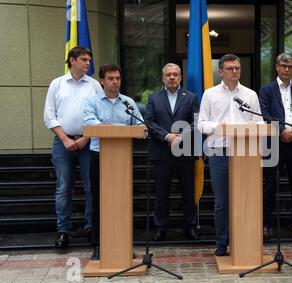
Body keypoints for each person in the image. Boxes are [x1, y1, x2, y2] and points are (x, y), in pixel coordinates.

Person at [198, 54, 262, 257]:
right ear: (221, 71)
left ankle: (245, 240)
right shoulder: (210, 94)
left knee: (246, 199)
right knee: (222, 201)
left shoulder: (250, 94)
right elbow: (201, 124)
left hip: (245, 153)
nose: (234, 72)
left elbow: (259, 122)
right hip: (219, 151)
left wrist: (247, 128)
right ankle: (222, 242)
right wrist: (220, 127)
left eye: (237, 68)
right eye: (230, 68)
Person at [83, 64, 144, 259]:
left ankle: (123, 244)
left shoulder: (128, 103)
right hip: (98, 157)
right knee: (98, 202)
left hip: (122, 161)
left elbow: (141, 126)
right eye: (110, 78)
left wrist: (115, 128)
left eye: (118, 78)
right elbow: (90, 122)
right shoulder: (92, 102)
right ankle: (99, 246)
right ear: (102, 81)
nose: (115, 82)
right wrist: (109, 127)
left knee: (122, 202)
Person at [44, 47, 102, 249]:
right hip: (63, 143)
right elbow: (49, 115)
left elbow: (100, 114)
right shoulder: (57, 84)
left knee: (90, 187)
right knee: (63, 187)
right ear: (72, 60)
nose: (88, 63)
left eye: (89, 60)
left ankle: (90, 228)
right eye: (84, 59)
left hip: (89, 143)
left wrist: (86, 137)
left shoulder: (94, 85)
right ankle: (63, 231)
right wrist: (65, 139)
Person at [259, 53, 292, 241]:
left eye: (290, 66)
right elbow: (264, 113)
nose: (287, 70)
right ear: (276, 66)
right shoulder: (266, 90)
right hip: (273, 142)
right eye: (283, 66)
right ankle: (266, 225)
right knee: (269, 186)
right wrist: (281, 130)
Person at [145, 63, 199, 241]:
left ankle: (190, 226)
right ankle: (161, 227)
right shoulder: (154, 98)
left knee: (188, 191)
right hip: (162, 151)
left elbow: (196, 121)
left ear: (181, 77)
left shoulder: (191, 97)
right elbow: (150, 122)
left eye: (175, 74)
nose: (172, 77)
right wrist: (167, 136)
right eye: (168, 75)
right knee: (161, 192)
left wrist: (181, 136)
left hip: (185, 151)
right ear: (163, 78)